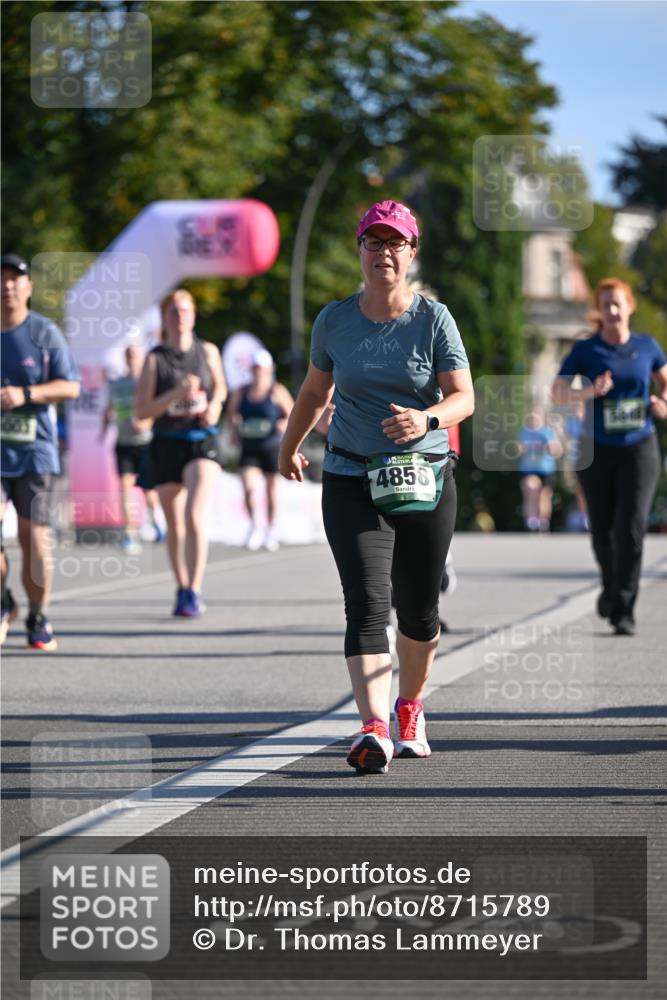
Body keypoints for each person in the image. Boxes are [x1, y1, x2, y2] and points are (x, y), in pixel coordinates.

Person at [278, 200, 474, 774]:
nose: (383, 252)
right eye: (373, 242)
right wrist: (288, 447)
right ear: (359, 250)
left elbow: (464, 397)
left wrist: (429, 419)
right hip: (350, 472)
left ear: (411, 253)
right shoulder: (334, 320)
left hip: (425, 477)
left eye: (395, 243)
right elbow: (315, 393)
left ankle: (409, 707)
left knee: (418, 610)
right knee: (366, 603)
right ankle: (372, 728)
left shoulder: (434, 320)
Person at [552, 277, 667, 635]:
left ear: (629, 305)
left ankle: (623, 608)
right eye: (605, 306)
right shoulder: (586, 351)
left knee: (630, 526)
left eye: (617, 304)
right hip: (596, 449)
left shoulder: (647, 347)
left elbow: (665, 382)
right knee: (601, 529)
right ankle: (610, 584)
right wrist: (589, 391)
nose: (612, 311)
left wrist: (662, 403)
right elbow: (558, 392)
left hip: (640, 447)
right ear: (599, 313)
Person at [1, 253, 80, 650]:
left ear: (28, 286)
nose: (7, 285)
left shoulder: (44, 333)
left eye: (16, 279)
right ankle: (2, 601)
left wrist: (25, 394)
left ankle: (37, 615)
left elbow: (71, 387)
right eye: (1, 278)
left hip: (35, 452)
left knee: (34, 538)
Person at [135, 289, 228, 617]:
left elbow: (221, 389)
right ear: (164, 318)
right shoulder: (154, 359)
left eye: (185, 309)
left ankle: (195, 588)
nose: (180, 315)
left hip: (201, 440)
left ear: (194, 314)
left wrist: (214, 407)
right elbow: (142, 411)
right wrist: (176, 392)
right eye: (173, 310)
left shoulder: (207, 351)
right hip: (165, 442)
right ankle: (182, 585)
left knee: (193, 513)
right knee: (174, 524)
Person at [226, 348, 294, 551]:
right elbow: (231, 413)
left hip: (271, 447)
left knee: (272, 490)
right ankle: (255, 526)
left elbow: (293, 413)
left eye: (261, 369)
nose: (258, 372)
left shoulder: (276, 391)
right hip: (249, 447)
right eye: (255, 368)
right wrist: (234, 428)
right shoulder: (242, 391)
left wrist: (284, 423)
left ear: (269, 369)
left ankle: (271, 529)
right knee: (248, 488)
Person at [100, 344, 164, 554]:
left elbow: (157, 408)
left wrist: (147, 423)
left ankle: (156, 523)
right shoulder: (117, 383)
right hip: (124, 443)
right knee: (125, 488)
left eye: (135, 355)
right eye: (128, 355)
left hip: (145, 442)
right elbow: (109, 408)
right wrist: (104, 427)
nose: (131, 359)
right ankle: (129, 533)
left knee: (148, 490)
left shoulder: (146, 382)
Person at [517, 408, 562, 532]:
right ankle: (531, 520)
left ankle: (543, 521)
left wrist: (550, 446)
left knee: (544, 496)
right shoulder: (524, 432)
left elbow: (556, 451)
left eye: (535, 416)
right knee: (531, 489)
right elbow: (517, 450)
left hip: (546, 469)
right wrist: (520, 449)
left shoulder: (547, 432)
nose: (533, 418)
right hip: (529, 469)